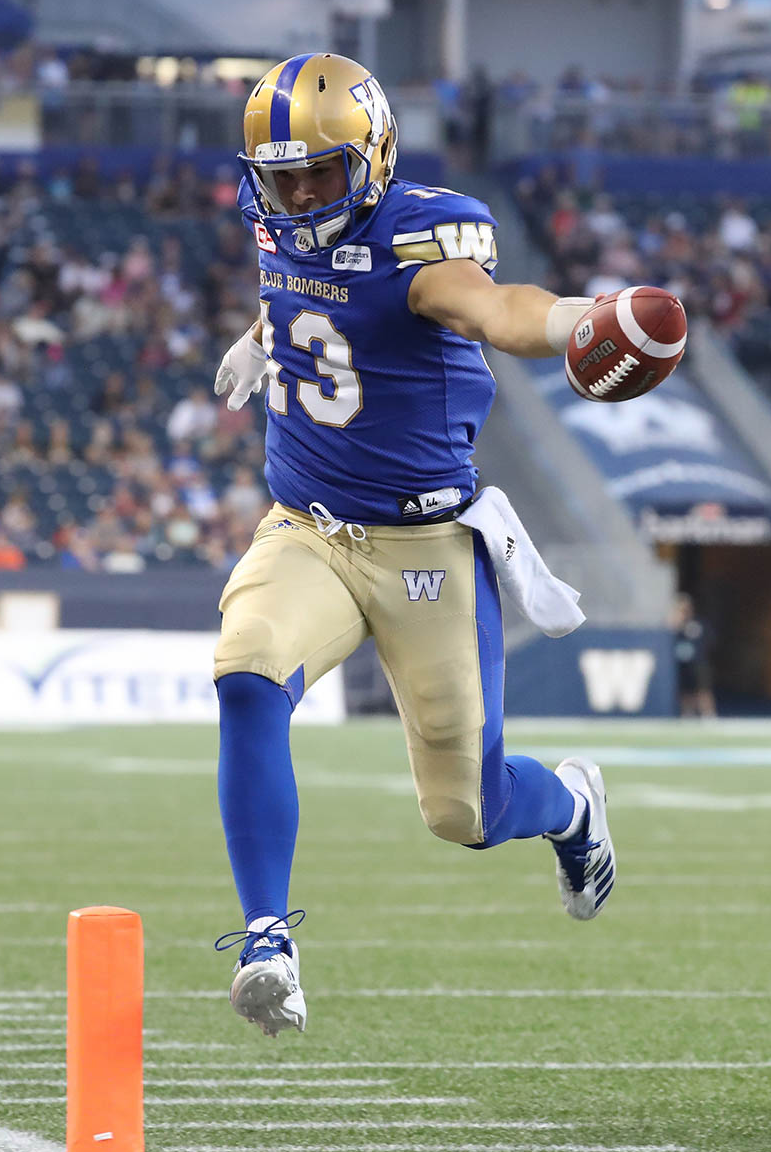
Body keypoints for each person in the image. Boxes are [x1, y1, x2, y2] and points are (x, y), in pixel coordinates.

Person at [212, 53, 616, 1037]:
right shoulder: (280, 220)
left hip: (426, 546)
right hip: (307, 525)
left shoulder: (420, 239)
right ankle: (268, 935)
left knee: (464, 814)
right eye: (283, 174)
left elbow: (491, 308)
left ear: (374, 157)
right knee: (247, 671)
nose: (301, 193)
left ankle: (567, 806)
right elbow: (311, 281)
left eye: (320, 172)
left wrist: (576, 320)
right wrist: (267, 334)